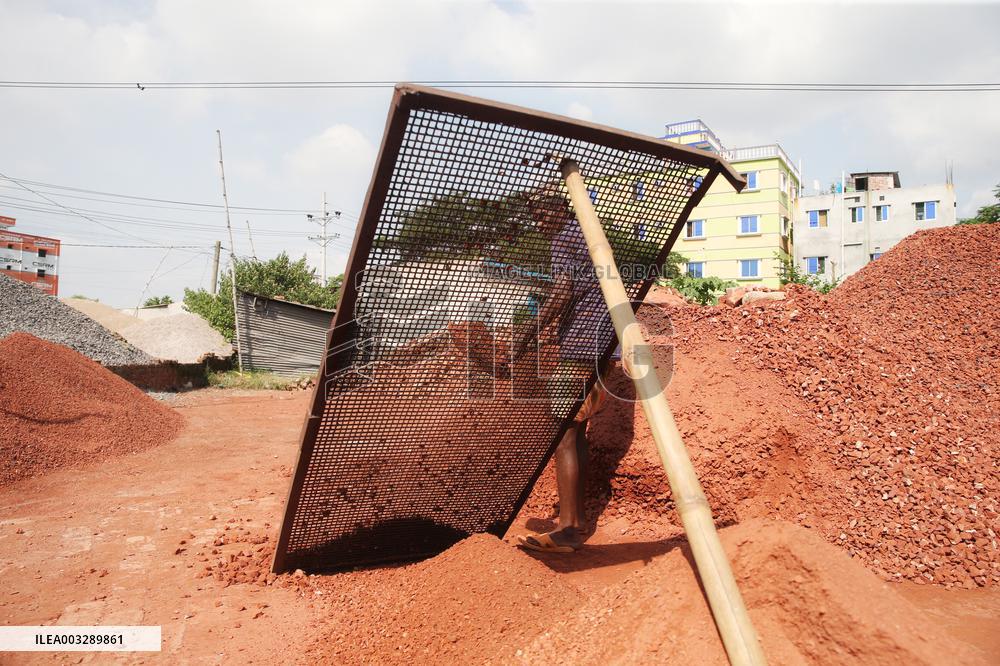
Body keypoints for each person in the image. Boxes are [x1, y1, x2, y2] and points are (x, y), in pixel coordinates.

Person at [513, 193, 609, 553]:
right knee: (577, 432)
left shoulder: (564, 238)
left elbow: (562, 291)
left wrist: (528, 333)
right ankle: (576, 522)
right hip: (602, 347)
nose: (539, 221)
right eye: (533, 215)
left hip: (580, 348)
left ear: (561, 208)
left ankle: (567, 529)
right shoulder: (589, 235)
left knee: (564, 434)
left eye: (543, 212)